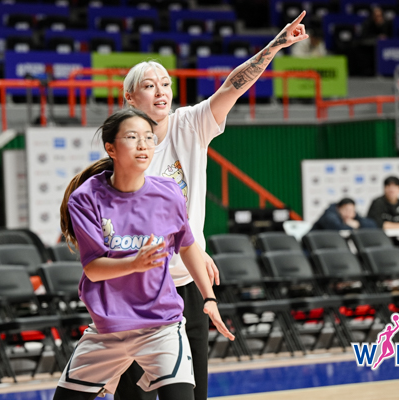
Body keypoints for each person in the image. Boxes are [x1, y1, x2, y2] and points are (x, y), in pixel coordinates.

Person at [115, 11, 309, 400]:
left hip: (188, 284)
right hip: (138, 292)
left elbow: (232, 86)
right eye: (149, 86)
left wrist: (275, 46)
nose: (161, 91)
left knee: (192, 392)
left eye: (166, 84)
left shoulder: (191, 123)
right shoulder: (122, 148)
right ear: (130, 98)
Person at [53, 109, 234, 400]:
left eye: (149, 138)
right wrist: (135, 263)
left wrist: (209, 298)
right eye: (132, 137)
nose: (143, 145)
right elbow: (93, 269)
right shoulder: (86, 198)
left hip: (161, 326)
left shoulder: (169, 192)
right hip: (109, 327)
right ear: (111, 148)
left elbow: (187, 245)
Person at [311, 198, 377, 231]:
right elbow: (338, 229)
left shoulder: (352, 215)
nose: (349, 213)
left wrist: (358, 224)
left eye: (352, 211)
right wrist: (352, 226)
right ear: (338, 208)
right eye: (346, 210)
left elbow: (372, 225)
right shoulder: (329, 216)